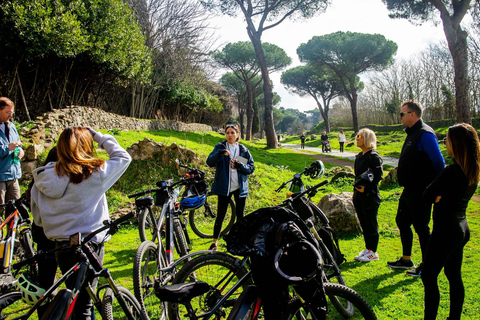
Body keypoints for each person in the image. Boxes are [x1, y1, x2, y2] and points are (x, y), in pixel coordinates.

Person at [31, 127, 132, 319]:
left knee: (76, 299)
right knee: (84, 306)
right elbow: (123, 157)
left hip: (61, 246)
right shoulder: (93, 174)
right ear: (86, 146)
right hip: (89, 244)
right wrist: (98, 136)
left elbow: (37, 218)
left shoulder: (42, 177)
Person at [421, 123, 479, 320]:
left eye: (447, 139)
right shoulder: (472, 170)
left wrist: (438, 196)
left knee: (428, 276)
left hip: (445, 230)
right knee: (453, 276)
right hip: (461, 228)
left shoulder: (451, 171)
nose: (445, 142)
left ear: (457, 143)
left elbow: (427, 194)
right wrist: (439, 195)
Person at [387, 100, 445, 277]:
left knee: (421, 227)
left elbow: (439, 163)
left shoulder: (425, 134)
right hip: (409, 190)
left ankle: (428, 266)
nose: (400, 116)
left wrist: (436, 189)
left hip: (422, 191)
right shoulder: (412, 133)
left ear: (413, 114)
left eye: (402, 113)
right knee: (402, 221)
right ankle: (406, 259)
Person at [206, 123, 255, 251]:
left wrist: (240, 166)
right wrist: (219, 154)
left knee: (240, 216)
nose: (230, 135)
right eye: (227, 132)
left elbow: (251, 167)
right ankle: (214, 242)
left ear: (237, 134)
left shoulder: (242, 150)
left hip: (239, 188)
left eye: (233, 132)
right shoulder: (220, 147)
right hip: (224, 188)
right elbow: (209, 162)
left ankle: (239, 241)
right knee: (220, 215)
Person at [353, 129, 383, 262]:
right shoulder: (359, 156)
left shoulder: (374, 157)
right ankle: (368, 249)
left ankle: (373, 252)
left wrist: (366, 188)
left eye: (359, 136)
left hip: (370, 196)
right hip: (358, 196)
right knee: (363, 223)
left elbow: (378, 176)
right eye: (356, 136)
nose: (357, 138)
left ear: (368, 139)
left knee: (371, 223)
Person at [0, 97, 24, 215]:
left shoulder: (12, 126)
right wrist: (8, 147)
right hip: (0, 177)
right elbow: (9, 146)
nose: (10, 116)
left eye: (12, 113)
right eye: (7, 112)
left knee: (15, 211)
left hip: (13, 175)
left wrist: (21, 151)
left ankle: (12, 233)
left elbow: (18, 143)